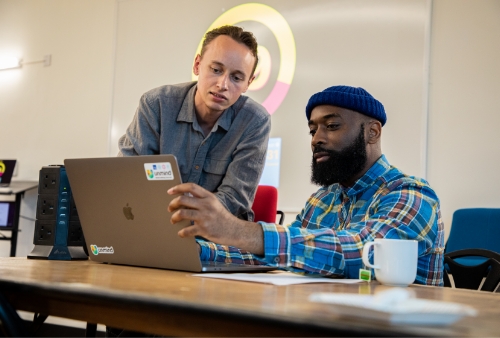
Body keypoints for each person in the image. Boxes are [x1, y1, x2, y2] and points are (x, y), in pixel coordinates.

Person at [167, 85, 445, 286]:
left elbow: (362, 251)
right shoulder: (322, 200)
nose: (316, 139)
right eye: (313, 130)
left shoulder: (412, 195)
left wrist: (236, 229)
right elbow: (269, 257)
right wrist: (189, 250)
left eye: (332, 126)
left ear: (372, 132)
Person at [118, 25, 271, 221]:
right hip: (153, 222)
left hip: (218, 236)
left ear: (248, 83)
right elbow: (127, 176)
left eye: (236, 77)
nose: (223, 85)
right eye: (216, 69)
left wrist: (182, 214)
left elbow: (234, 200)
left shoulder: (255, 122)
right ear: (197, 65)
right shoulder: (156, 104)